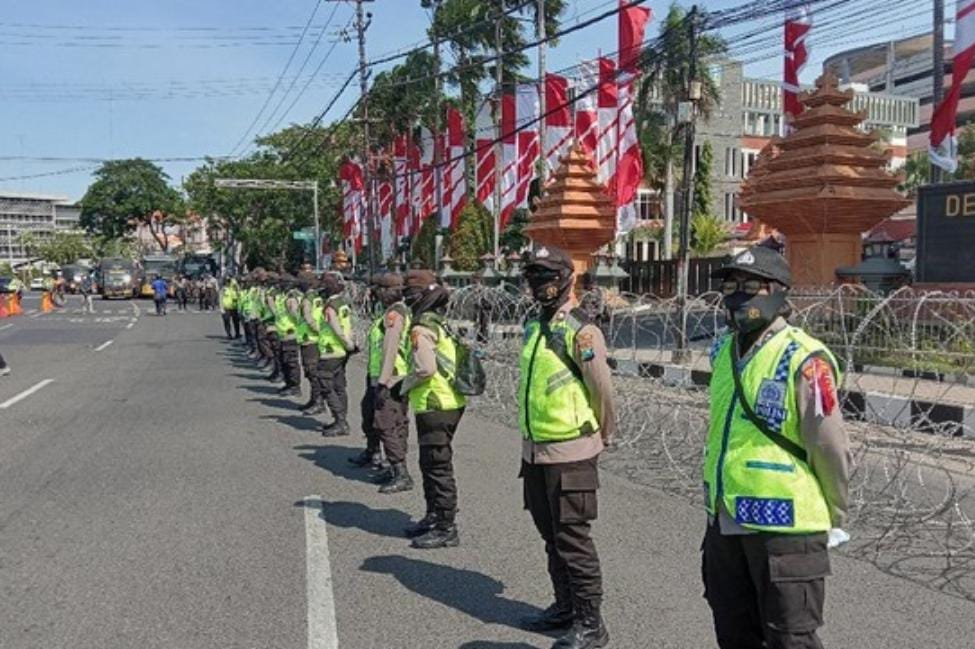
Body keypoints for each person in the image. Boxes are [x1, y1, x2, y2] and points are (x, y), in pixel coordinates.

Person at [701, 245, 851, 649]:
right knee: (734, 631)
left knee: (790, 638)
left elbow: (829, 444)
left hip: (786, 528)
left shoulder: (804, 358)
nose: (739, 295)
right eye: (730, 286)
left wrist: (834, 514)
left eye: (752, 286)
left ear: (778, 291)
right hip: (726, 518)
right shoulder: (723, 350)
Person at [517, 246, 616, 649]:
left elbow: (601, 389)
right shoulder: (534, 326)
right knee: (551, 537)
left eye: (548, 276)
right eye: (534, 276)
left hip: (571, 451)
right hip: (535, 450)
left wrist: (602, 434)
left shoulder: (582, 331)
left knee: (573, 540)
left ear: (566, 279)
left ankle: (591, 624)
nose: (540, 284)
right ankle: (565, 607)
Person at [398, 270, 466, 549]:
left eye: (409, 294)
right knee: (430, 464)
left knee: (437, 466)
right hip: (447, 401)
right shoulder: (438, 320)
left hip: (436, 403)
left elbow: (425, 368)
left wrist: (403, 385)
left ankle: (446, 526)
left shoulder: (422, 326)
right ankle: (433, 515)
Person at [354, 273, 413, 494]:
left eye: (379, 289)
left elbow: (390, 350)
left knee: (387, 424)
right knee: (388, 420)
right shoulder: (394, 312)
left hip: (391, 378)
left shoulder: (394, 314)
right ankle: (392, 466)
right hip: (388, 375)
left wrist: (383, 382)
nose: (375, 293)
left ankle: (401, 473)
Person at [317, 272, 356, 436]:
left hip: (330, 350)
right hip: (341, 351)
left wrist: (346, 343)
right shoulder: (342, 303)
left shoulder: (330, 306)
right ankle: (342, 419)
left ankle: (340, 421)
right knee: (339, 386)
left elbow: (336, 328)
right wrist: (349, 345)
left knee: (326, 385)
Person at [296, 273, 326, 415]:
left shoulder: (308, 299)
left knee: (312, 371)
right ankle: (314, 400)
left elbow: (309, 318)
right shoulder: (316, 297)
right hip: (314, 338)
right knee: (312, 371)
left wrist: (317, 330)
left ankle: (318, 402)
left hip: (310, 339)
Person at [272, 275, 302, 396]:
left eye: (282, 282)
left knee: (291, 361)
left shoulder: (291, 298)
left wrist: (294, 329)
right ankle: (289, 383)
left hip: (290, 334)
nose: (279, 284)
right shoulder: (284, 296)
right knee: (284, 360)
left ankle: (295, 386)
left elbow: (296, 315)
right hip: (283, 334)